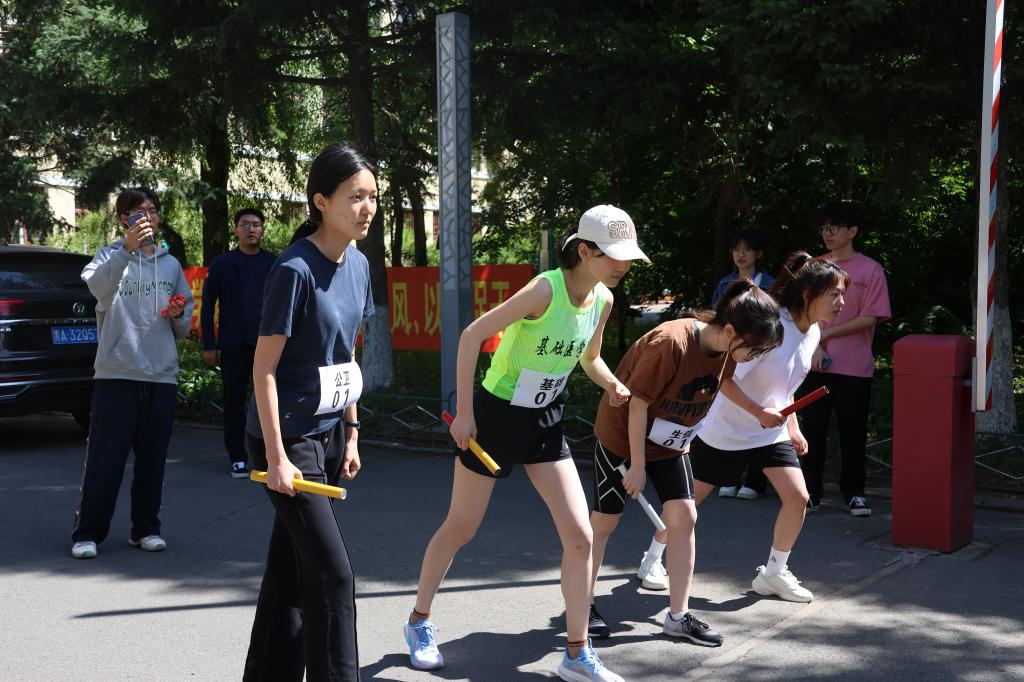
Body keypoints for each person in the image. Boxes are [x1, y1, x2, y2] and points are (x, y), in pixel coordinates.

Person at [404, 205, 648, 682]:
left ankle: (576, 654)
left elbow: (590, 358)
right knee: (461, 528)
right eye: (613, 255)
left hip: (545, 420)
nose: (623, 265)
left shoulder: (602, 300)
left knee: (580, 537)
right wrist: (466, 412)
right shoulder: (544, 290)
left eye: (628, 257)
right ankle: (419, 622)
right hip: (495, 417)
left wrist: (611, 383)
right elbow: (472, 335)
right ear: (585, 251)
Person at [242, 143, 375, 682]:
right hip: (286, 440)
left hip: (328, 433)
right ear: (321, 201)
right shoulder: (293, 270)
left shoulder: (359, 264)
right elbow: (264, 369)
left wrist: (352, 431)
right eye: (354, 197)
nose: (366, 208)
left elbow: (345, 356)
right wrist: (276, 457)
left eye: (372, 197)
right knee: (333, 575)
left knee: (290, 572)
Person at [587, 280, 783, 645]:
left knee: (685, 517)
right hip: (622, 438)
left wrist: (758, 411)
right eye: (754, 349)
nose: (754, 357)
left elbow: (724, 384)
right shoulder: (671, 343)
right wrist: (637, 466)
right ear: (730, 331)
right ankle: (583, 604)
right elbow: (638, 405)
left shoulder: (727, 351)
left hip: (670, 444)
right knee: (604, 522)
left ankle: (678, 616)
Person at [688, 252, 849, 603]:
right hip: (726, 429)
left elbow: (784, 386)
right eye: (834, 294)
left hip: (769, 431)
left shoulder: (813, 332)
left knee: (798, 498)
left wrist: (792, 427)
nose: (842, 302)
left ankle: (773, 574)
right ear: (808, 294)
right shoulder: (771, 326)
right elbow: (723, 378)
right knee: (688, 503)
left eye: (842, 294)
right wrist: (758, 411)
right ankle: (653, 558)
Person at [70, 187, 194, 560]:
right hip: (116, 374)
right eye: (139, 212)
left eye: (152, 210)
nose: (148, 218)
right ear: (125, 219)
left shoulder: (170, 265)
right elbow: (99, 289)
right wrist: (126, 249)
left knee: (153, 461)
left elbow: (183, 326)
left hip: (160, 376)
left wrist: (178, 314)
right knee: (105, 460)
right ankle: (88, 533)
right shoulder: (107, 256)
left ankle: (146, 529)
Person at [800, 201, 891, 516]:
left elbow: (871, 317)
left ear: (853, 231)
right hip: (814, 365)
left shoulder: (871, 269)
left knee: (853, 432)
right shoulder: (814, 268)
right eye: (824, 227)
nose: (827, 233)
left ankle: (854, 493)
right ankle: (810, 492)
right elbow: (802, 314)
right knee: (813, 430)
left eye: (834, 227)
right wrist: (815, 345)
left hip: (854, 369)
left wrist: (825, 335)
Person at [201, 207, 277, 478]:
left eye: (256, 224)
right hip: (233, 345)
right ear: (236, 230)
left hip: (267, 345)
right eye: (245, 224)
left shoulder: (273, 263)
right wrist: (209, 344)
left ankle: (270, 455)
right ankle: (238, 456)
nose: (251, 229)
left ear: (262, 230)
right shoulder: (223, 263)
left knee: (269, 401)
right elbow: (208, 305)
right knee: (234, 402)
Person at [712, 230, 775, 501]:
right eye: (736, 249)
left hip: (763, 356)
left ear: (758, 253)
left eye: (747, 249)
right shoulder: (725, 283)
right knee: (732, 411)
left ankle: (755, 480)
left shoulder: (770, 284)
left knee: (759, 411)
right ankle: (729, 476)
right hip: (732, 353)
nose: (741, 254)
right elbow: (716, 317)